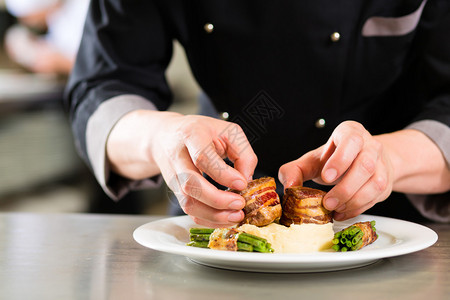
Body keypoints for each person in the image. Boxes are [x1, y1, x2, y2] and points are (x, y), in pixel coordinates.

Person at [65, 0, 450, 226]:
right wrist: (162, 138)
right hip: (213, 219)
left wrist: (388, 160)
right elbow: (103, 87)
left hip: (393, 230)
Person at [4, 0, 89, 74]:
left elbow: (95, 63)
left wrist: (60, 63)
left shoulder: (81, 11)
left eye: (25, 17)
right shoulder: (56, 23)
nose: (25, 21)